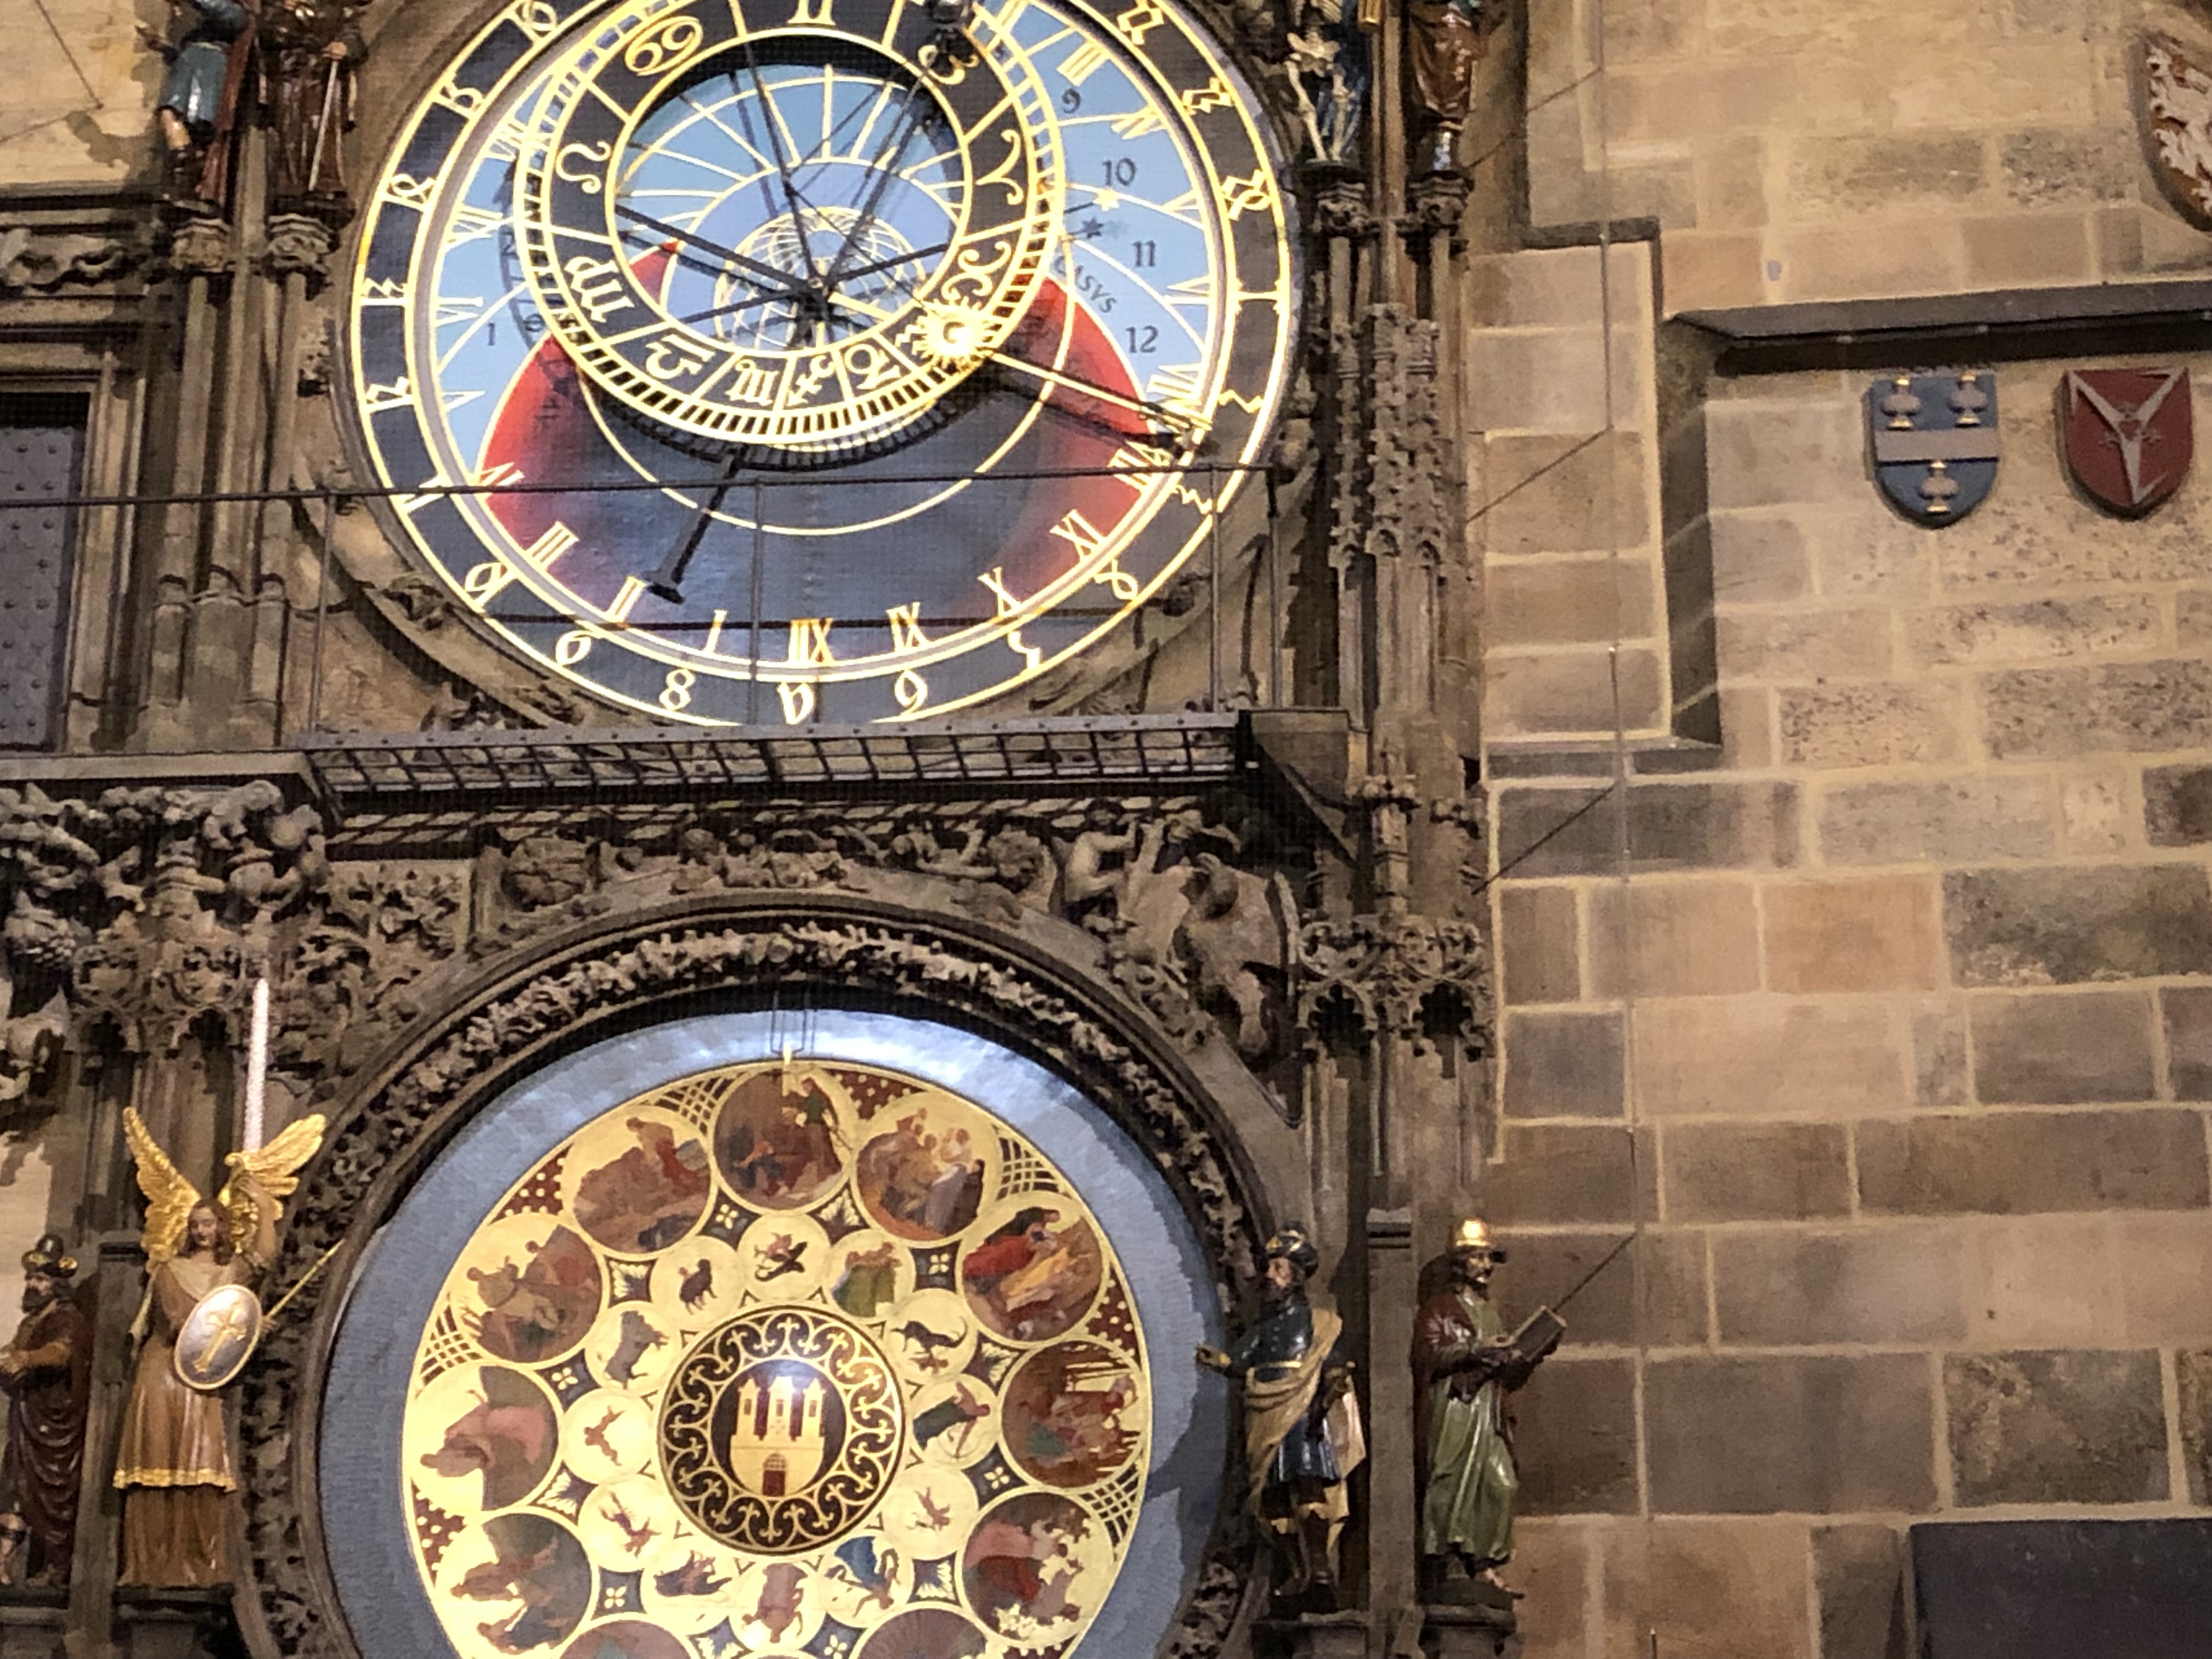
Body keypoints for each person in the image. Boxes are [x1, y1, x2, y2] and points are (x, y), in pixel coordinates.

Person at [1195, 1224, 1364, 1605]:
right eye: (1270, 1268)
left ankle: (1319, 1566)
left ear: (1297, 1278)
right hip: (1266, 1411)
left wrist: (1334, 1380)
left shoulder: (1317, 1322)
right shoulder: (1264, 1328)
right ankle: (1295, 1569)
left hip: (1303, 1409)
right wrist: (1219, 1361)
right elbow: (1238, 1360)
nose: (1270, 1276)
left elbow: (1329, 1356)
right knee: (1271, 1497)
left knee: (1308, 1484)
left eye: (1279, 1269)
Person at [115, 1188, 273, 1585]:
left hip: (202, 1380)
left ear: (222, 1227)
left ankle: (197, 1563)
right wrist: (247, 1325)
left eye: (209, 1223)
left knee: (201, 1465)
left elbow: (262, 1259)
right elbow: (179, 1322)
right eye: (196, 1224)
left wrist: (267, 1211)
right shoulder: (170, 1269)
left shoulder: (230, 1272)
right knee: (156, 1461)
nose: (202, 1231)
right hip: (164, 1371)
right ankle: (149, 1565)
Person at [1412, 1217, 1544, 1603]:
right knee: (1451, 1478)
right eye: (1479, 1258)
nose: (1486, 1267)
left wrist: (1526, 1356)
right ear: (1461, 1263)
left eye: (1489, 1258)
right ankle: (1452, 1559)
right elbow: (1428, 1354)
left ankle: (1485, 1563)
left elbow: (1505, 1366)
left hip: (1489, 1409)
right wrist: (1475, 1350)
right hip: (1457, 1406)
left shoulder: (1489, 1311)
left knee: (1501, 1482)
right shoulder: (1440, 1308)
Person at [0, 1236, 90, 1586]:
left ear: (57, 1285)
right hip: (27, 1419)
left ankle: (57, 1565)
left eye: (40, 1279)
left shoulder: (67, 1318)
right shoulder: (31, 1322)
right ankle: (4, 1564)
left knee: (51, 1496)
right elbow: (12, 1350)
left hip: (55, 1426)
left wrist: (27, 1359)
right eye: (30, 1278)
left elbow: (61, 1352)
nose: (32, 1285)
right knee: (15, 1491)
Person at [255, 0, 368, 218]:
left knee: (322, 130)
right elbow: (270, 35)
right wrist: (288, 12)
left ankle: (324, 184)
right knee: (290, 132)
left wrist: (345, 47)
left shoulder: (337, 7)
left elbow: (355, 37)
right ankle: (290, 185)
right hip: (291, 76)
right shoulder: (279, 7)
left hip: (324, 78)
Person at [146, 0, 254, 211]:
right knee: (168, 112)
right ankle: (185, 161)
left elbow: (227, 16)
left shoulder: (236, 12)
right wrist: (161, 46)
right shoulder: (198, 29)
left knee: (187, 118)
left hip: (207, 63)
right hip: (188, 61)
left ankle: (189, 170)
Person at [1406, 0, 1486, 173]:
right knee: (1440, 72)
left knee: (1459, 64)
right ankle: (1437, 143)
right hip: (1432, 16)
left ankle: (1445, 142)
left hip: (1460, 18)